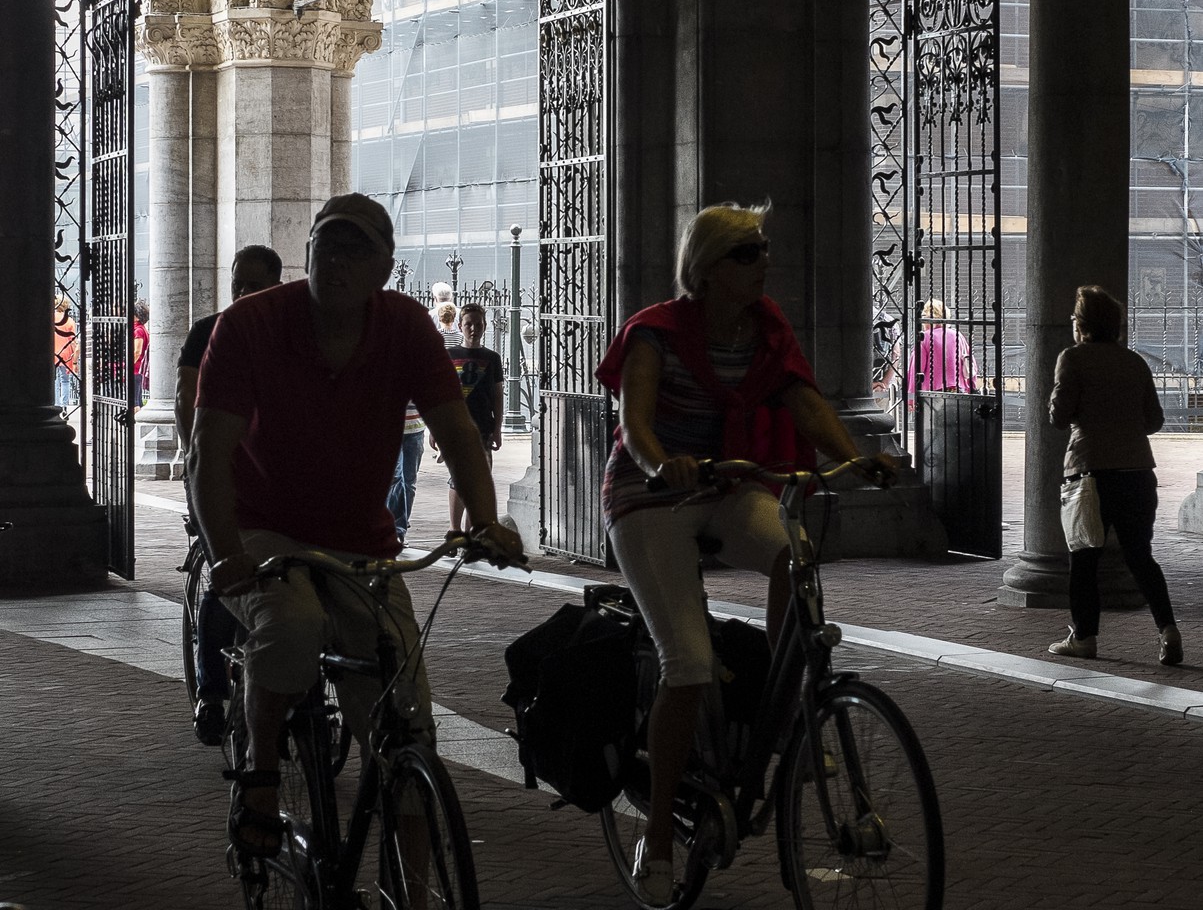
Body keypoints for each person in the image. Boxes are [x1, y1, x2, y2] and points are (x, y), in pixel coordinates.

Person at [189, 193, 523, 859]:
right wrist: (224, 552)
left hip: (360, 537)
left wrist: (484, 521)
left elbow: (456, 431)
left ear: (384, 268)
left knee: (402, 719)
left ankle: (419, 890)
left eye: (355, 250)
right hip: (264, 524)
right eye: (326, 246)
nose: (337, 261)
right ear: (305, 254)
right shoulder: (249, 325)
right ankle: (259, 773)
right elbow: (209, 451)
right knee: (291, 624)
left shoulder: (403, 326)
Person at [595, 201, 894, 909]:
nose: (762, 261)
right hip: (648, 495)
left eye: (762, 249)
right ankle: (660, 837)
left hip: (726, 482)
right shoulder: (655, 332)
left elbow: (803, 401)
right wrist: (664, 462)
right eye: (745, 252)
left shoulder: (764, 331)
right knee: (688, 665)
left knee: (796, 555)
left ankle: (781, 707)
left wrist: (854, 460)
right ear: (704, 269)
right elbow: (633, 425)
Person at [175, 244, 283, 745]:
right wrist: (196, 461)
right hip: (220, 472)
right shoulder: (207, 331)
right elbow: (185, 401)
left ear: (276, 285)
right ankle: (211, 692)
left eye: (253, 285)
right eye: (237, 283)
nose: (242, 293)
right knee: (226, 574)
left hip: (275, 474)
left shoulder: (289, 332)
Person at [1047, 284, 1182, 666]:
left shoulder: (1072, 358)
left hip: (1089, 474)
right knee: (1141, 556)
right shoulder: (1135, 361)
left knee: (1085, 559)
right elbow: (1154, 420)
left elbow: (1058, 417)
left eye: (1075, 318)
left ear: (1083, 324)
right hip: (1138, 470)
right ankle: (1168, 630)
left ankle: (1084, 636)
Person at [445, 303, 505, 533]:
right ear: (460, 326)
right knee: (458, 478)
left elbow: (497, 394)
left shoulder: (492, 358)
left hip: (482, 427)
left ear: (485, 327)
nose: (473, 329)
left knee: (480, 480)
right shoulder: (450, 356)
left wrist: (497, 427)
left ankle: (472, 533)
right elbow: (442, 392)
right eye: (468, 324)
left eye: (478, 324)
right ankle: (454, 529)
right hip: (456, 427)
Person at [905, 298, 978, 396]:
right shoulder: (958, 335)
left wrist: (911, 396)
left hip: (932, 392)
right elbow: (970, 363)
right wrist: (971, 387)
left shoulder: (925, 337)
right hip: (958, 388)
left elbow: (917, 369)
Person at [385, 399, 426, 549]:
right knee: (396, 478)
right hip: (391, 429)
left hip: (416, 428)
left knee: (410, 483)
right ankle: (395, 530)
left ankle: (399, 530)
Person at [53, 295, 77, 411]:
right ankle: (64, 406)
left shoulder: (50, 317)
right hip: (66, 353)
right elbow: (73, 341)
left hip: (52, 353)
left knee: (54, 381)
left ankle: (56, 405)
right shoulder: (69, 320)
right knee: (65, 381)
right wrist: (75, 356)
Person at [132, 299, 150, 406]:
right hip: (138, 369)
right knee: (137, 400)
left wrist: (128, 366)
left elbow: (137, 352)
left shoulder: (138, 330)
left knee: (134, 402)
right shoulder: (141, 329)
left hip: (135, 369)